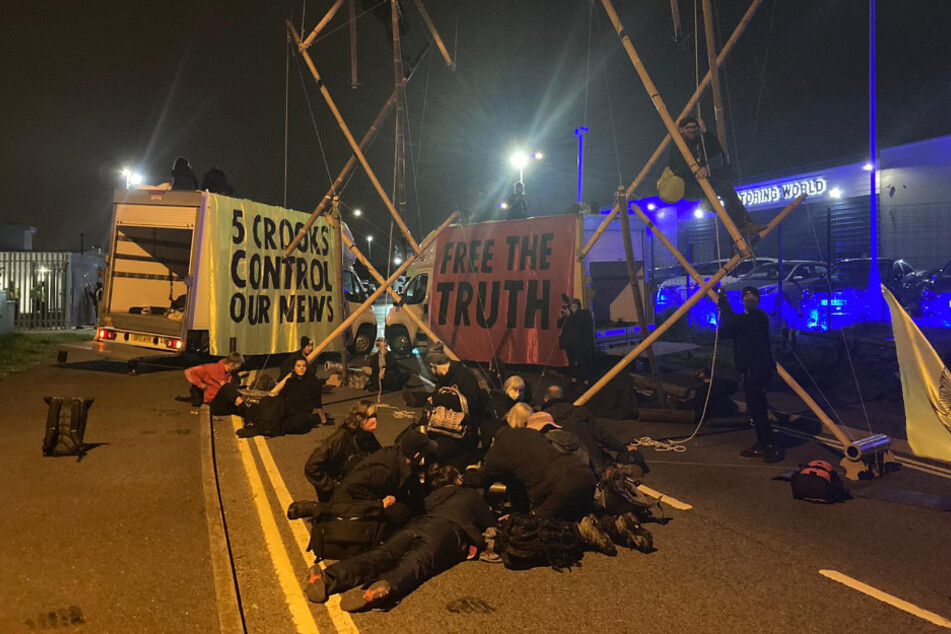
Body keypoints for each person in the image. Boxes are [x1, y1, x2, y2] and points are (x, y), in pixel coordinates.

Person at [304, 464, 496, 612]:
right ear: (460, 481)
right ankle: (385, 586)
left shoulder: (438, 495)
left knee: (382, 553)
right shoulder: (472, 497)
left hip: (419, 524)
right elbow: (488, 523)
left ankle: (329, 576)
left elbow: (421, 507)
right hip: (446, 531)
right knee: (416, 563)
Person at [463, 405, 616, 554]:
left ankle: (579, 533)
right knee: (579, 513)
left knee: (531, 530)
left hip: (560, 487)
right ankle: (617, 525)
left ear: (492, 440)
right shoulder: (529, 433)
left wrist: (468, 472)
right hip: (583, 474)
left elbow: (480, 479)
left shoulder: (498, 449)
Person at [290, 431, 438, 560]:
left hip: (359, 496)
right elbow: (354, 486)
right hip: (350, 505)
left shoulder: (395, 456)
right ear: (417, 454)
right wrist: (379, 503)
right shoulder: (386, 471)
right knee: (401, 512)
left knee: (403, 505)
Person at [718, 286, 784, 463]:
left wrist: (723, 301)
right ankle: (763, 443)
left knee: (759, 409)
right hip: (747, 370)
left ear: (758, 300)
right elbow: (726, 330)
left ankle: (771, 445)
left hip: (758, 370)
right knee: (755, 410)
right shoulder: (744, 321)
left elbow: (732, 321)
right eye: (746, 295)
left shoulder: (758, 317)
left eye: (753, 295)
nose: (749, 298)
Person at [663, 117, 757, 232]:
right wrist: (696, 170)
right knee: (724, 188)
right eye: (688, 128)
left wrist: (705, 131)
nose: (691, 130)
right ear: (681, 130)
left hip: (701, 182)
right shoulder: (677, 146)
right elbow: (678, 167)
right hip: (687, 186)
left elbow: (716, 148)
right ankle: (709, 203)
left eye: (694, 127)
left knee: (726, 188)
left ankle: (743, 224)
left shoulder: (698, 143)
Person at [417, 344, 488, 468]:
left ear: (432, 365)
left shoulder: (464, 375)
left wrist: (439, 399)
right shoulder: (445, 377)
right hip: (445, 425)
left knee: (433, 452)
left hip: (462, 429)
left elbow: (471, 403)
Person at [542, 384, 631, 476]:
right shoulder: (579, 411)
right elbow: (602, 436)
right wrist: (622, 448)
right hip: (591, 464)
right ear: (562, 396)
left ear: (545, 398)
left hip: (562, 470)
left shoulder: (541, 418)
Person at [304, 401, 383, 502]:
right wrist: (333, 487)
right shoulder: (339, 439)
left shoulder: (366, 436)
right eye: (371, 416)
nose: (375, 420)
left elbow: (379, 457)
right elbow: (312, 466)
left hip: (355, 485)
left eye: (375, 416)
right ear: (361, 419)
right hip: (340, 492)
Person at [257, 357, 328, 434]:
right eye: (298, 366)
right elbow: (282, 396)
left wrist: (324, 420)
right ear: (293, 368)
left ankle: (274, 427)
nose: (301, 368)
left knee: (297, 425)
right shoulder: (290, 381)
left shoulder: (313, 381)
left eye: (304, 366)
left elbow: (318, 403)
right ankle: (271, 425)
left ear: (307, 367)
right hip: (288, 410)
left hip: (302, 412)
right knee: (267, 405)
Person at [182, 352, 248, 416]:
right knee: (227, 387)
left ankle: (249, 414)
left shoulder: (233, 376)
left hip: (226, 403)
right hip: (213, 403)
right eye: (237, 367)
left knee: (249, 409)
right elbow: (189, 372)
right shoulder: (211, 368)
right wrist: (200, 384)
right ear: (231, 364)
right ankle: (244, 406)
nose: (238, 369)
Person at [558, 299, 596, 384]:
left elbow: (579, 325)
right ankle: (574, 377)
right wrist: (560, 316)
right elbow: (560, 325)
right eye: (572, 307)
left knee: (581, 361)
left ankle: (586, 378)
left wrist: (570, 316)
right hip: (569, 343)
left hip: (579, 344)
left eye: (575, 307)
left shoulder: (582, 316)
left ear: (578, 308)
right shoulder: (569, 316)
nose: (573, 309)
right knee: (571, 361)